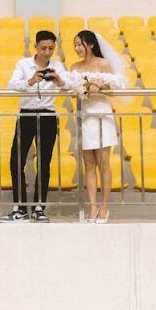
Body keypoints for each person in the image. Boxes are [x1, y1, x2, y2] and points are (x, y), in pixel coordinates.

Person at [0, 30, 67, 223]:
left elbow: (68, 86)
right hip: (26, 115)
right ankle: (20, 207)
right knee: (16, 161)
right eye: (43, 48)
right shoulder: (23, 64)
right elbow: (11, 84)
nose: (47, 52)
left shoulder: (58, 65)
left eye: (51, 48)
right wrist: (30, 81)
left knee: (44, 163)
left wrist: (59, 79)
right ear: (35, 46)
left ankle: (39, 207)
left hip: (48, 116)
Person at [64, 30, 127, 223]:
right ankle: (92, 207)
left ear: (90, 45)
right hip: (85, 116)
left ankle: (104, 207)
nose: (77, 48)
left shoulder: (103, 64)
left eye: (80, 44)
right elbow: (72, 92)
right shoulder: (74, 67)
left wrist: (99, 87)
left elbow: (114, 91)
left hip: (102, 114)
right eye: (75, 45)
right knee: (89, 164)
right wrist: (79, 91)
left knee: (104, 163)